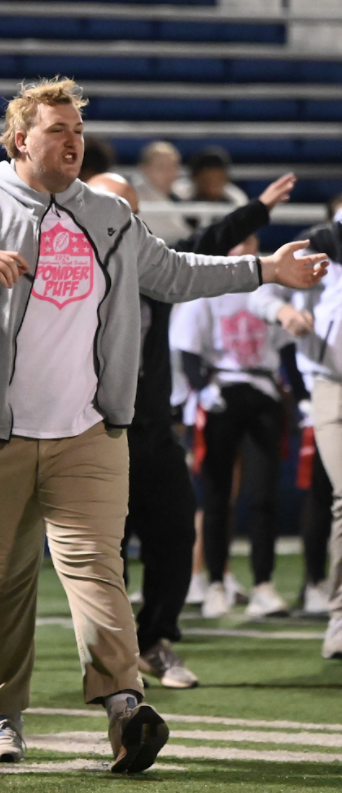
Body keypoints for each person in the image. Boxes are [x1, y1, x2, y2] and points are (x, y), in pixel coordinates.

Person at [0, 77, 326, 773]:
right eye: (57, 130)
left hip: (88, 430)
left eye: (77, 128)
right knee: (3, 584)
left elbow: (173, 272)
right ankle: (2, 716)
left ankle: (124, 708)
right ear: (21, 139)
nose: (72, 139)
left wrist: (262, 269)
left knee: (98, 570)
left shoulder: (107, 213)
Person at [95, 171, 296, 685]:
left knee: (176, 529)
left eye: (132, 209)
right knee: (103, 548)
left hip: (150, 425)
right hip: (89, 429)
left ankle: (155, 640)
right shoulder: (70, 267)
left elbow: (204, 246)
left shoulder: (150, 264)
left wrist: (259, 209)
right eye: (114, 206)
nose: (125, 218)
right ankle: (109, 657)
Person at [170, 234, 300, 620]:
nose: (243, 249)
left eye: (251, 242)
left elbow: (286, 347)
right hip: (221, 392)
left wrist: (300, 395)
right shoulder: (207, 288)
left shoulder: (270, 287)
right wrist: (200, 390)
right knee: (215, 496)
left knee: (263, 497)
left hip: (262, 391)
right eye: (237, 242)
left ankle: (263, 583)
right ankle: (214, 583)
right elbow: (188, 349)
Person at [252, 207, 342, 657]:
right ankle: (340, 615)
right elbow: (259, 296)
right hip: (332, 387)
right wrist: (285, 308)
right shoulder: (319, 247)